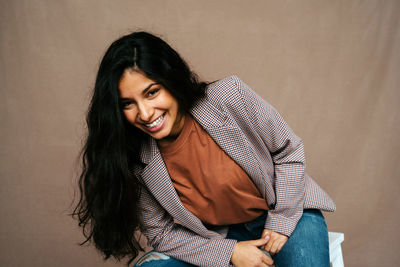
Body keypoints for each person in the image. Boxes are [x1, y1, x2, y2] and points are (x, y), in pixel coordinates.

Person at [73, 31, 335, 267]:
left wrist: (281, 223)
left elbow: (287, 151)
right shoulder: (134, 157)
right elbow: (161, 233)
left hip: (289, 212)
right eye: (128, 103)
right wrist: (230, 252)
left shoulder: (229, 96)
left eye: (152, 92)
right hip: (218, 238)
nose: (144, 113)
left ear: (171, 80)